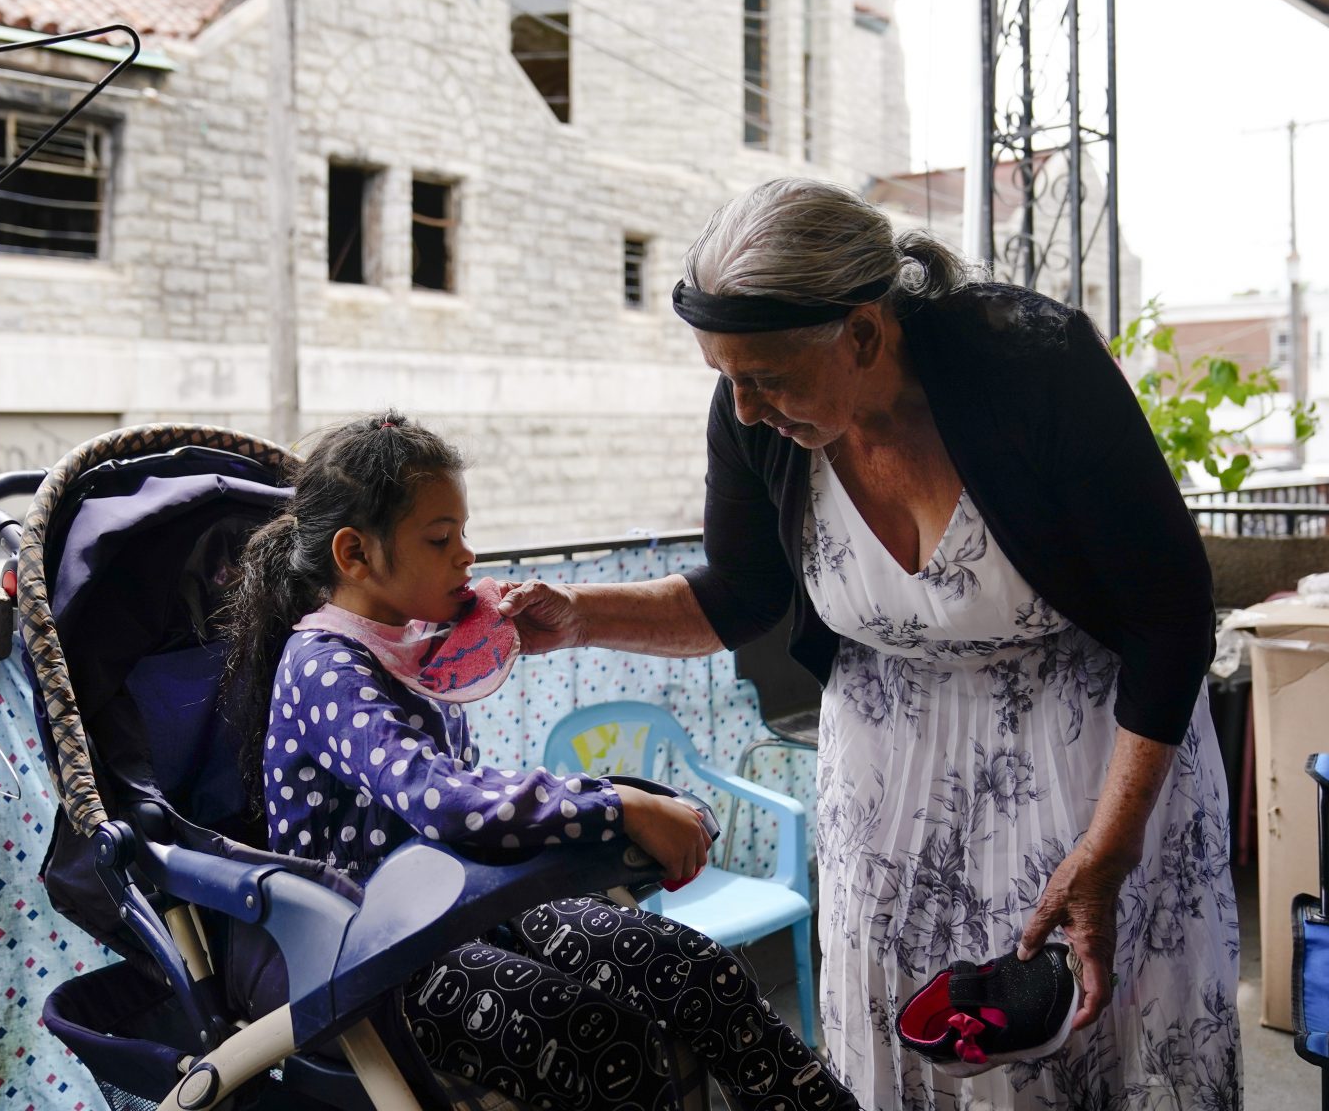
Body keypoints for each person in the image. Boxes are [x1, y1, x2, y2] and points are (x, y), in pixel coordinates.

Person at [497, 180, 1242, 1110]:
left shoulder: (1034, 367)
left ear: (861, 331)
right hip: (891, 794)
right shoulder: (757, 415)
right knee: (912, 1048)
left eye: (766, 377)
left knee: (1086, 1043)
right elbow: (737, 597)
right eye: (724, 376)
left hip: (1088, 770)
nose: (744, 408)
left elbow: (1170, 615)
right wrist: (579, 614)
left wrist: (1112, 846)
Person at [220, 412, 855, 1111]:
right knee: (605, 1041)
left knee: (699, 973)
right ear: (354, 555)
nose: (467, 556)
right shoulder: (324, 668)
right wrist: (615, 805)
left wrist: (606, 800)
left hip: (470, 903)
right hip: (381, 948)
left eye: (462, 533)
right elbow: (446, 800)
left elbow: (466, 786)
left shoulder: (413, 648)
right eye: (440, 539)